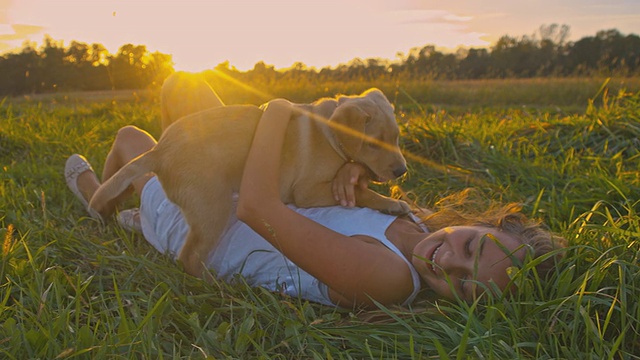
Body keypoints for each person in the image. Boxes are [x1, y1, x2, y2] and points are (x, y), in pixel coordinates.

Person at [64, 84, 566, 309]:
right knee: (186, 87)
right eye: (472, 247)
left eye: (461, 285)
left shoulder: (389, 279)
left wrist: (278, 109)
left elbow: (256, 208)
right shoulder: (419, 222)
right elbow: (328, 200)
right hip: (244, 184)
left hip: (208, 230)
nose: (448, 260)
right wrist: (349, 170)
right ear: (488, 222)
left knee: (133, 142)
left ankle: (103, 204)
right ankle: (142, 208)